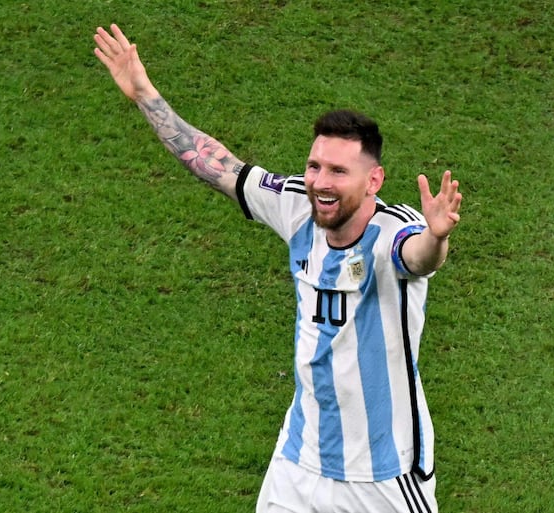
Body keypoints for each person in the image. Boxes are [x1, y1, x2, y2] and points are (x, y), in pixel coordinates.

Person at [94, 23, 462, 513]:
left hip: (381, 475)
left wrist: (436, 236)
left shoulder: (393, 233)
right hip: (299, 462)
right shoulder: (295, 206)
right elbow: (215, 163)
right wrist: (144, 93)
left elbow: (417, 259)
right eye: (315, 166)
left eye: (337, 171)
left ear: (373, 180)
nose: (320, 182)